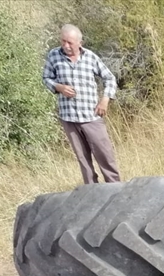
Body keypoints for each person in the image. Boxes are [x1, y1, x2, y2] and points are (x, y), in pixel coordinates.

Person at [42, 25, 121, 186]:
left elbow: (109, 78)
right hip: (68, 117)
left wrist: (105, 99)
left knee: (104, 155)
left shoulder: (90, 57)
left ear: (80, 42)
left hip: (91, 116)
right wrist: (59, 87)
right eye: (63, 41)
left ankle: (115, 188)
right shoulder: (54, 55)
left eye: (70, 42)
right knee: (83, 158)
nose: (66, 45)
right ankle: (91, 192)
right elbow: (46, 78)